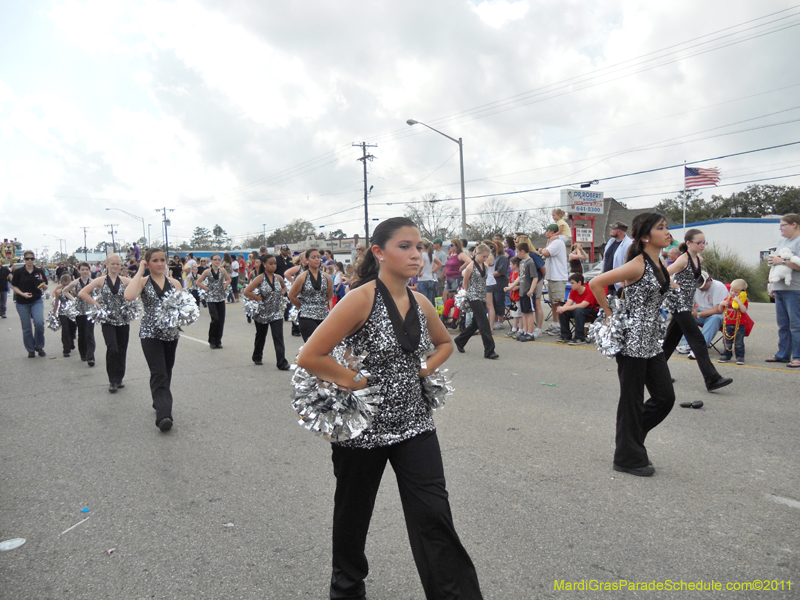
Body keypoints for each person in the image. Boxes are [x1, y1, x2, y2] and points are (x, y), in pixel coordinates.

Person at [296, 217, 483, 600]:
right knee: (353, 516)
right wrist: (355, 381)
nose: (416, 254)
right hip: (364, 433)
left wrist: (424, 368)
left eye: (419, 247)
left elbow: (444, 344)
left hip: (416, 426)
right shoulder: (360, 298)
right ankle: (347, 590)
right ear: (379, 253)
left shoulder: (421, 301)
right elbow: (310, 355)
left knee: (435, 517)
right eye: (405, 246)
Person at [589, 212, 676, 477]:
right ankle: (627, 457)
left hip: (652, 341)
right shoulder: (638, 264)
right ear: (646, 236)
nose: (667, 232)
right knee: (631, 400)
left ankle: (630, 439)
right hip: (632, 342)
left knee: (665, 398)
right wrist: (609, 313)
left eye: (667, 227)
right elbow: (596, 282)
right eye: (661, 228)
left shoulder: (658, 262)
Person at [662, 229, 732, 392]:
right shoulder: (683, 259)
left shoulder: (698, 259)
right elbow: (663, 275)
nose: (702, 245)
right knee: (698, 341)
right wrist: (675, 285)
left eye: (704, 242)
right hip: (679, 303)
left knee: (670, 341)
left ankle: (653, 373)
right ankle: (712, 379)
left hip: (686, 303)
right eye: (698, 242)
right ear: (688, 243)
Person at [124, 248, 184, 432]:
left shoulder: (175, 283)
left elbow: (182, 306)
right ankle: (164, 415)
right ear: (148, 263)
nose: (159, 263)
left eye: (162, 260)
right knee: (159, 372)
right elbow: (129, 296)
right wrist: (140, 271)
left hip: (171, 334)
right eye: (154, 260)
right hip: (150, 334)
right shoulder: (142, 282)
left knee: (167, 370)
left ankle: (159, 401)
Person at [77, 254, 134, 393]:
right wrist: (96, 303)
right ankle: (112, 380)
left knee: (122, 348)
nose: (115, 266)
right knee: (112, 347)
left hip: (123, 320)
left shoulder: (126, 280)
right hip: (107, 320)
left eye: (117, 264)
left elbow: (137, 290)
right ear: (106, 264)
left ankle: (120, 377)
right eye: (112, 264)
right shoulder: (100, 280)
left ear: (121, 266)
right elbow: (82, 293)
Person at [243, 254, 290, 370]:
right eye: (271, 264)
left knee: (278, 336)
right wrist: (259, 299)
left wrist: (281, 294)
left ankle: (281, 362)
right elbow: (247, 291)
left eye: (275, 263)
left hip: (276, 312)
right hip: (262, 312)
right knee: (261, 335)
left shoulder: (278, 277)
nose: (273, 266)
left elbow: (284, 287)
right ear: (264, 264)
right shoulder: (259, 278)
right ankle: (257, 356)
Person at [766, 213, 800, 367]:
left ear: (794, 225)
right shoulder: (782, 241)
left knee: (796, 325)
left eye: (783, 225)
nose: (780, 228)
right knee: (783, 325)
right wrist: (772, 285)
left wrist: (783, 261)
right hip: (779, 288)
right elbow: (776, 263)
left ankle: (798, 356)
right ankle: (783, 354)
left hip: (794, 289)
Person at [454, 244, 499, 359]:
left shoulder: (485, 266)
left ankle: (460, 340)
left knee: (475, 323)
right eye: (484, 256)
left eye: (487, 256)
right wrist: (468, 293)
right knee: (483, 322)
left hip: (482, 295)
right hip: (473, 296)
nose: (485, 258)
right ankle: (489, 350)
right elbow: (465, 282)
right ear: (477, 254)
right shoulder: (470, 267)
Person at [675, 271, 727, 353]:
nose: (700, 288)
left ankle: (700, 347)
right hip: (701, 314)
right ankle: (688, 344)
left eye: (702, 286)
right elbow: (690, 304)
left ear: (709, 280)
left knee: (715, 318)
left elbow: (719, 310)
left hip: (718, 315)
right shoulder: (695, 287)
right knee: (683, 315)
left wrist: (699, 315)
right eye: (699, 286)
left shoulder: (718, 287)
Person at [289, 248, 333, 342]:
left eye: (318, 257)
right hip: (307, 316)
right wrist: (302, 306)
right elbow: (292, 295)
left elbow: (329, 295)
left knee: (324, 346)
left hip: (323, 316)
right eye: (313, 257)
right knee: (313, 345)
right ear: (307, 260)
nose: (317, 259)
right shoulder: (302, 277)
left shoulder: (327, 277)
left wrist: (320, 304)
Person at [11, 251, 48, 357]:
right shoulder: (18, 272)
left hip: (36, 300)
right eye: (27, 259)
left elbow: (45, 285)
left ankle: (39, 346)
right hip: (22, 302)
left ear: (34, 259)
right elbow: (14, 286)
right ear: (24, 260)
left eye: (31, 259)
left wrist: (44, 287)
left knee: (39, 323)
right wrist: (22, 294)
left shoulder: (39, 271)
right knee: (27, 327)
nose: (29, 261)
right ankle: (30, 349)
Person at [62, 262, 96, 366]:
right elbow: (65, 291)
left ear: (89, 270)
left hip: (91, 311)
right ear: (79, 270)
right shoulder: (75, 282)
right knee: (82, 333)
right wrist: (74, 299)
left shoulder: (93, 282)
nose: (85, 271)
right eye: (82, 269)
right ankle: (83, 353)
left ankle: (91, 356)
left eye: (86, 269)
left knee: (90, 333)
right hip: (80, 311)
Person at [198, 253, 232, 349]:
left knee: (221, 320)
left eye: (219, 259)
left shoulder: (222, 270)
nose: (217, 261)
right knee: (215, 319)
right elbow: (198, 282)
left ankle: (218, 340)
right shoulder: (207, 272)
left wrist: (224, 286)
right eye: (215, 259)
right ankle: (212, 340)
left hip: (220, 298)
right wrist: (206, 288)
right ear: (211, 261)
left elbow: (229, 280)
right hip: (211, 298)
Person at [539, 224, 568, 335]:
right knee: (553, 303)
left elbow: (546, 252)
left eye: (547, 231)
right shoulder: (552, 242)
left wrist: (542, 250)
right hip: (552, 276)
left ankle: (561, 326)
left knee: (558, 302)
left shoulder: (557, 242)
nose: (546, 233)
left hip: (558, 276)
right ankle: (555, 324)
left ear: (552, 232)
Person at [507, 242, 539, 342]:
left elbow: (535, 278)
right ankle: (525, 331)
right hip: (522, 292)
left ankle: (530, 333)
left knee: (529, 313)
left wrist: (531, 290)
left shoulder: (530, 262)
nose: (517, 254)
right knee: (524, 313)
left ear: (523, 251)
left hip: (527, 292)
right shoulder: (522, 263)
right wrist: (510, 287)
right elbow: (520, 277)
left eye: (517, 252)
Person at [556, 273, 598, 345]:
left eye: (572, 283)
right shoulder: (573, 290)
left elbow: (583, 305)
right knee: (563, 311)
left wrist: (566, 308)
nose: (570, 285)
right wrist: (562, 308)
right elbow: (569, 303)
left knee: (578, 310)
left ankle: (580, 337)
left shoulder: (589, 291)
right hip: (579, 309)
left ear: (579, 283)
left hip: (591, 309)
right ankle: (566, 335)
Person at [718, 279, 751, 365]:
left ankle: (740, 357)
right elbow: (720, 310)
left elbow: (744, 310)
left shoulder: (743, 301)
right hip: (727, 324)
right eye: (731, 291)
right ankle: (726, 355)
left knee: (739, 342)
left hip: (739, 325)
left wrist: (739, 302)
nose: (733, 293)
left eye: (736, 292)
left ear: (742, 293)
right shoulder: (727, 299)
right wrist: (721, 304)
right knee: (726, 341)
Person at [600, 221, 632, 297]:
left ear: (619, 231)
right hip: (607, 281)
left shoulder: (629, 244)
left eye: (613, 229)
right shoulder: (610, 242)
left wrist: (624, 281)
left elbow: (629, 264)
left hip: (618, 283)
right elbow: (606, 260)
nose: (610, 230)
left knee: (618, 305)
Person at [52, 273, 77, 357]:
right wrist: (54, 313)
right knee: (65, 329)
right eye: (64, 284)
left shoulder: (73, 290)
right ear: (61, 283)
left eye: (68, 284)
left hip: (73, 312)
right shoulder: (59, 292)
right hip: (63, 312)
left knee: (72, 328)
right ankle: (66, 348)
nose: (66, 286)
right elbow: (56, 303)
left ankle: (71, 340)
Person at [443, 239, 470, 304]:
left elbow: (469, 261)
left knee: (454, 298)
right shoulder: (452, 254)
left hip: (456, 278)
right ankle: (447, 313)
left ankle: (455, 313)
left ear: (457, 246)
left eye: (452, 245)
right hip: (449, 278)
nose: (450, 247)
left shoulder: (461, 254)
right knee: (445, 297)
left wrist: (462, 267)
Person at [416, 239, 442, 307]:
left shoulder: (422, 255)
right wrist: (432, 271)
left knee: (423, 301)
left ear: (422, 246)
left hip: (422, 279)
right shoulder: (431, 255)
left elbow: (421, 265)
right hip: (430, 279)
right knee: (430, 301)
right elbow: (440, 264)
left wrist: (418, 273)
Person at [491, 240, 509, 329]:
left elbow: (500, 272)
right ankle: (494, 320)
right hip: (493, 283)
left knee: (499, 302)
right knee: (493, 302)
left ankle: (500, 321)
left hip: (500, 282)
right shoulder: (493, 257)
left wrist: (489, 274)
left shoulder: (503, 258)